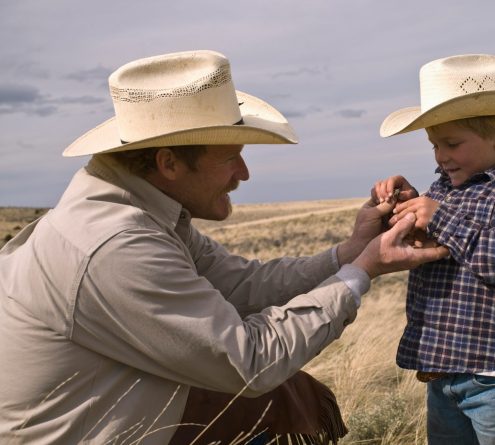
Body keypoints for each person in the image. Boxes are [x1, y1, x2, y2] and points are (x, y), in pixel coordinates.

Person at [0, 50, 448, 445]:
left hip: (119, 415)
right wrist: (361, 273)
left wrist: (350, 251)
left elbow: (242, 283)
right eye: (229, 157)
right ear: (169, 163)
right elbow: (249, 362)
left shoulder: (141, 213)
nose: (244, 173)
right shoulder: (117, 246)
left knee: (293, 396)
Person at [371, 54, 495, 444]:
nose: (441, 156)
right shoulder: (443, 189)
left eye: (452, 143)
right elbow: (435, 242)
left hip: (494, 378)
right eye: (434, 145)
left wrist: (439, 219)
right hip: (441, 371)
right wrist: (407, 204)